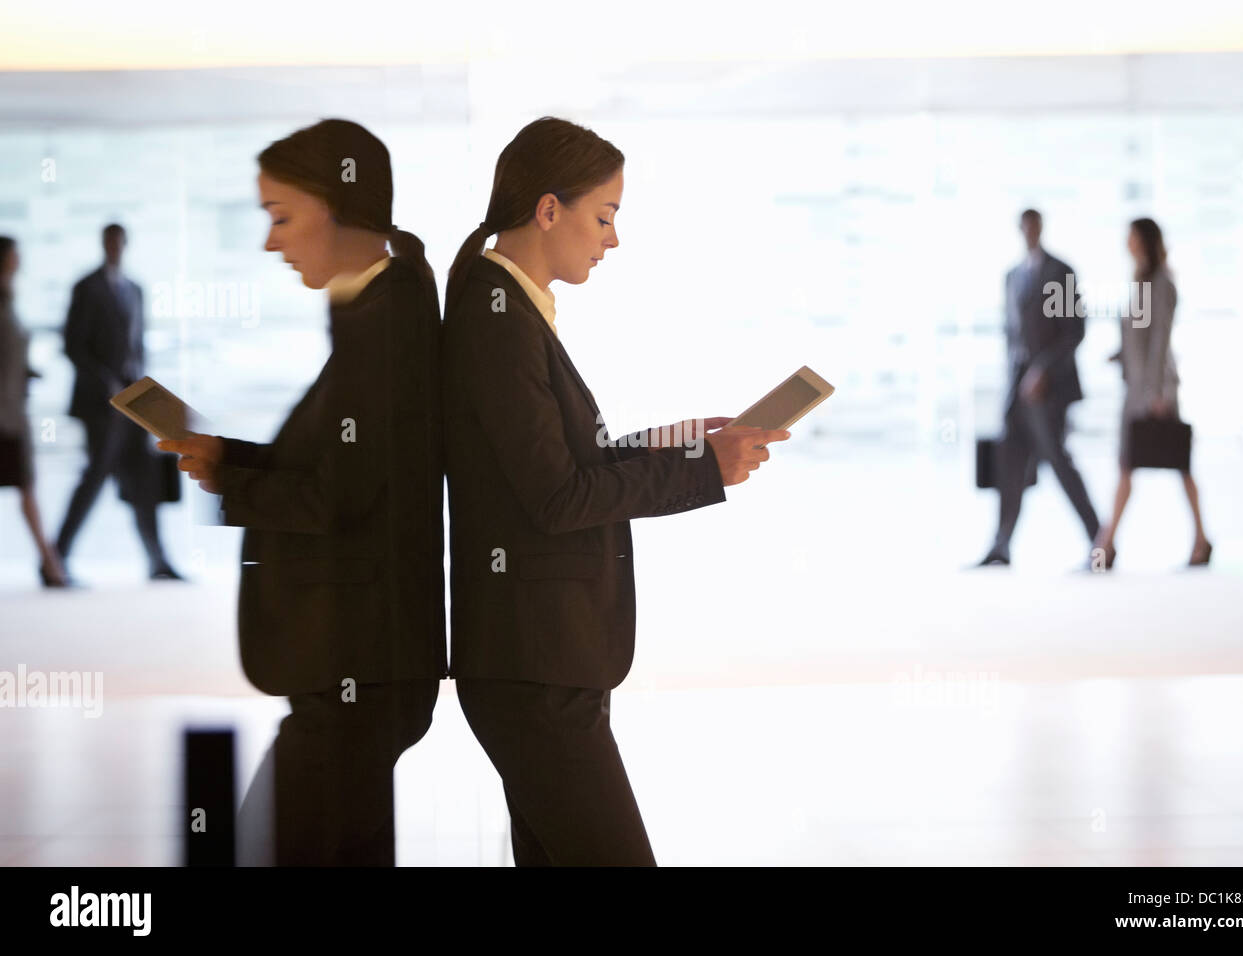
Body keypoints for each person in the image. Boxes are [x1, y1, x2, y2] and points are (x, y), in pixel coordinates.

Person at [442, 116, 790, 866]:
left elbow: (574, 461)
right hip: (532, 666)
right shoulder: (497, 318)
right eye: (604, 216)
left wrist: (688, 440)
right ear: (547, 210)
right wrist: (704, 468)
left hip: (541, 660)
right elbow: (560, 496)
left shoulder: (509, 310)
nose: (612, 238)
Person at [159, 119, 444, 865]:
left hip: (355, 671)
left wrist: (231, 481)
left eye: (282, 217)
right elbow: (348, 471)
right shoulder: (382, 305)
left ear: (340, 207)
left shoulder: (382, 323)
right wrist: (234, 459)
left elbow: (335, 501)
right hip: (362, 670)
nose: (270, 242)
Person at [55, 223, 180, 582]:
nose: (114, 247)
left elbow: (137, 347)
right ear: (103, 243)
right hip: (100, 405)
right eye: (109, 241)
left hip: (134, 403)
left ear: (125, 245)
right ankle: (57, 559)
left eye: (119, 241)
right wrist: (105, 383)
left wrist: (147, 395)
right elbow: (73, 346)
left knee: (145, 481)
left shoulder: (135, 290)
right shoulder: (87, 287)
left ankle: (158, 561)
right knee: (94, 479)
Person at [978, 208, 1102, 567]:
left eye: (1035, 225)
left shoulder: (1060, 273)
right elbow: (1012, 333)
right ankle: (1001, 545)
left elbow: (1074, 331)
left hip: (1050, 391)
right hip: (1017, 389)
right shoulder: (1012, 276)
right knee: (1009, 464)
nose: (1030, 231)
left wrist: (1043, 370)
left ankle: (1100, 542)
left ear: (1042, 227)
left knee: (1059, 463)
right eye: (1025, 226)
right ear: (1019, 229)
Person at [1093, 217, 1212, 567]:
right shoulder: (1141, 282)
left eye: (1131, 237)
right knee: (1139, 466)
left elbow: (1160, 340)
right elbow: (1140, 338)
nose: (1126, 243)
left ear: (1145, 240)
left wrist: (1156, 393)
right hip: (1138, 388)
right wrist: (1121, 355)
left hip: (1155, 392)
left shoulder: (1161, 283)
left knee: (1172, 464)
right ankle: (1110, 544)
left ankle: (1107, 546)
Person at [0, 236, 70, 587]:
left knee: (27, 488)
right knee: (27, 488)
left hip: (13, 409)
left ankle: (50, 564)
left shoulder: (9, 300)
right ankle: (51, 565)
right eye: (15, 255)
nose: (20, 260)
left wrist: (26, 372)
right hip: (4, 416)